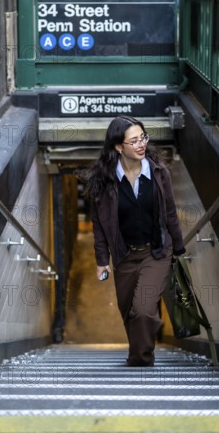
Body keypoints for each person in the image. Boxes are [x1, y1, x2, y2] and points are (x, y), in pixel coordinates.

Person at [81, 115, 185, 366]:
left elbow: (170, 212)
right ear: (119, 147)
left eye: (143, 138)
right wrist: (102, 260)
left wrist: (179, 248)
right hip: (124, 256)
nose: (142, 144)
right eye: (134, 140)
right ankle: (140, 351)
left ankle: (140, 359)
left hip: (156, 252)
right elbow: (99, 225)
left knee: (143, 310)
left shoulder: (159, 173)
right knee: (129, 311)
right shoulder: (103, 181)